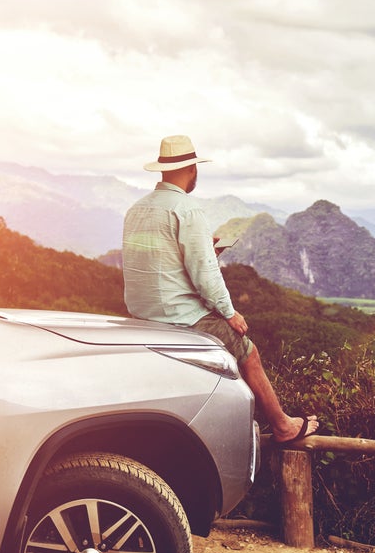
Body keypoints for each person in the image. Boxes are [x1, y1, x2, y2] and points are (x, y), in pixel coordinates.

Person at [123, 135, 319, 443]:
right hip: (178, 316)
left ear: (162, 170)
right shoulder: (187, 210)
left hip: (141, 313)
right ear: (192, 170)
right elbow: (206, 275)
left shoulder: (137, 209)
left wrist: (204, 253)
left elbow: (155, 263)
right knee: (248, 353)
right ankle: (283, 425)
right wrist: (230, 313)